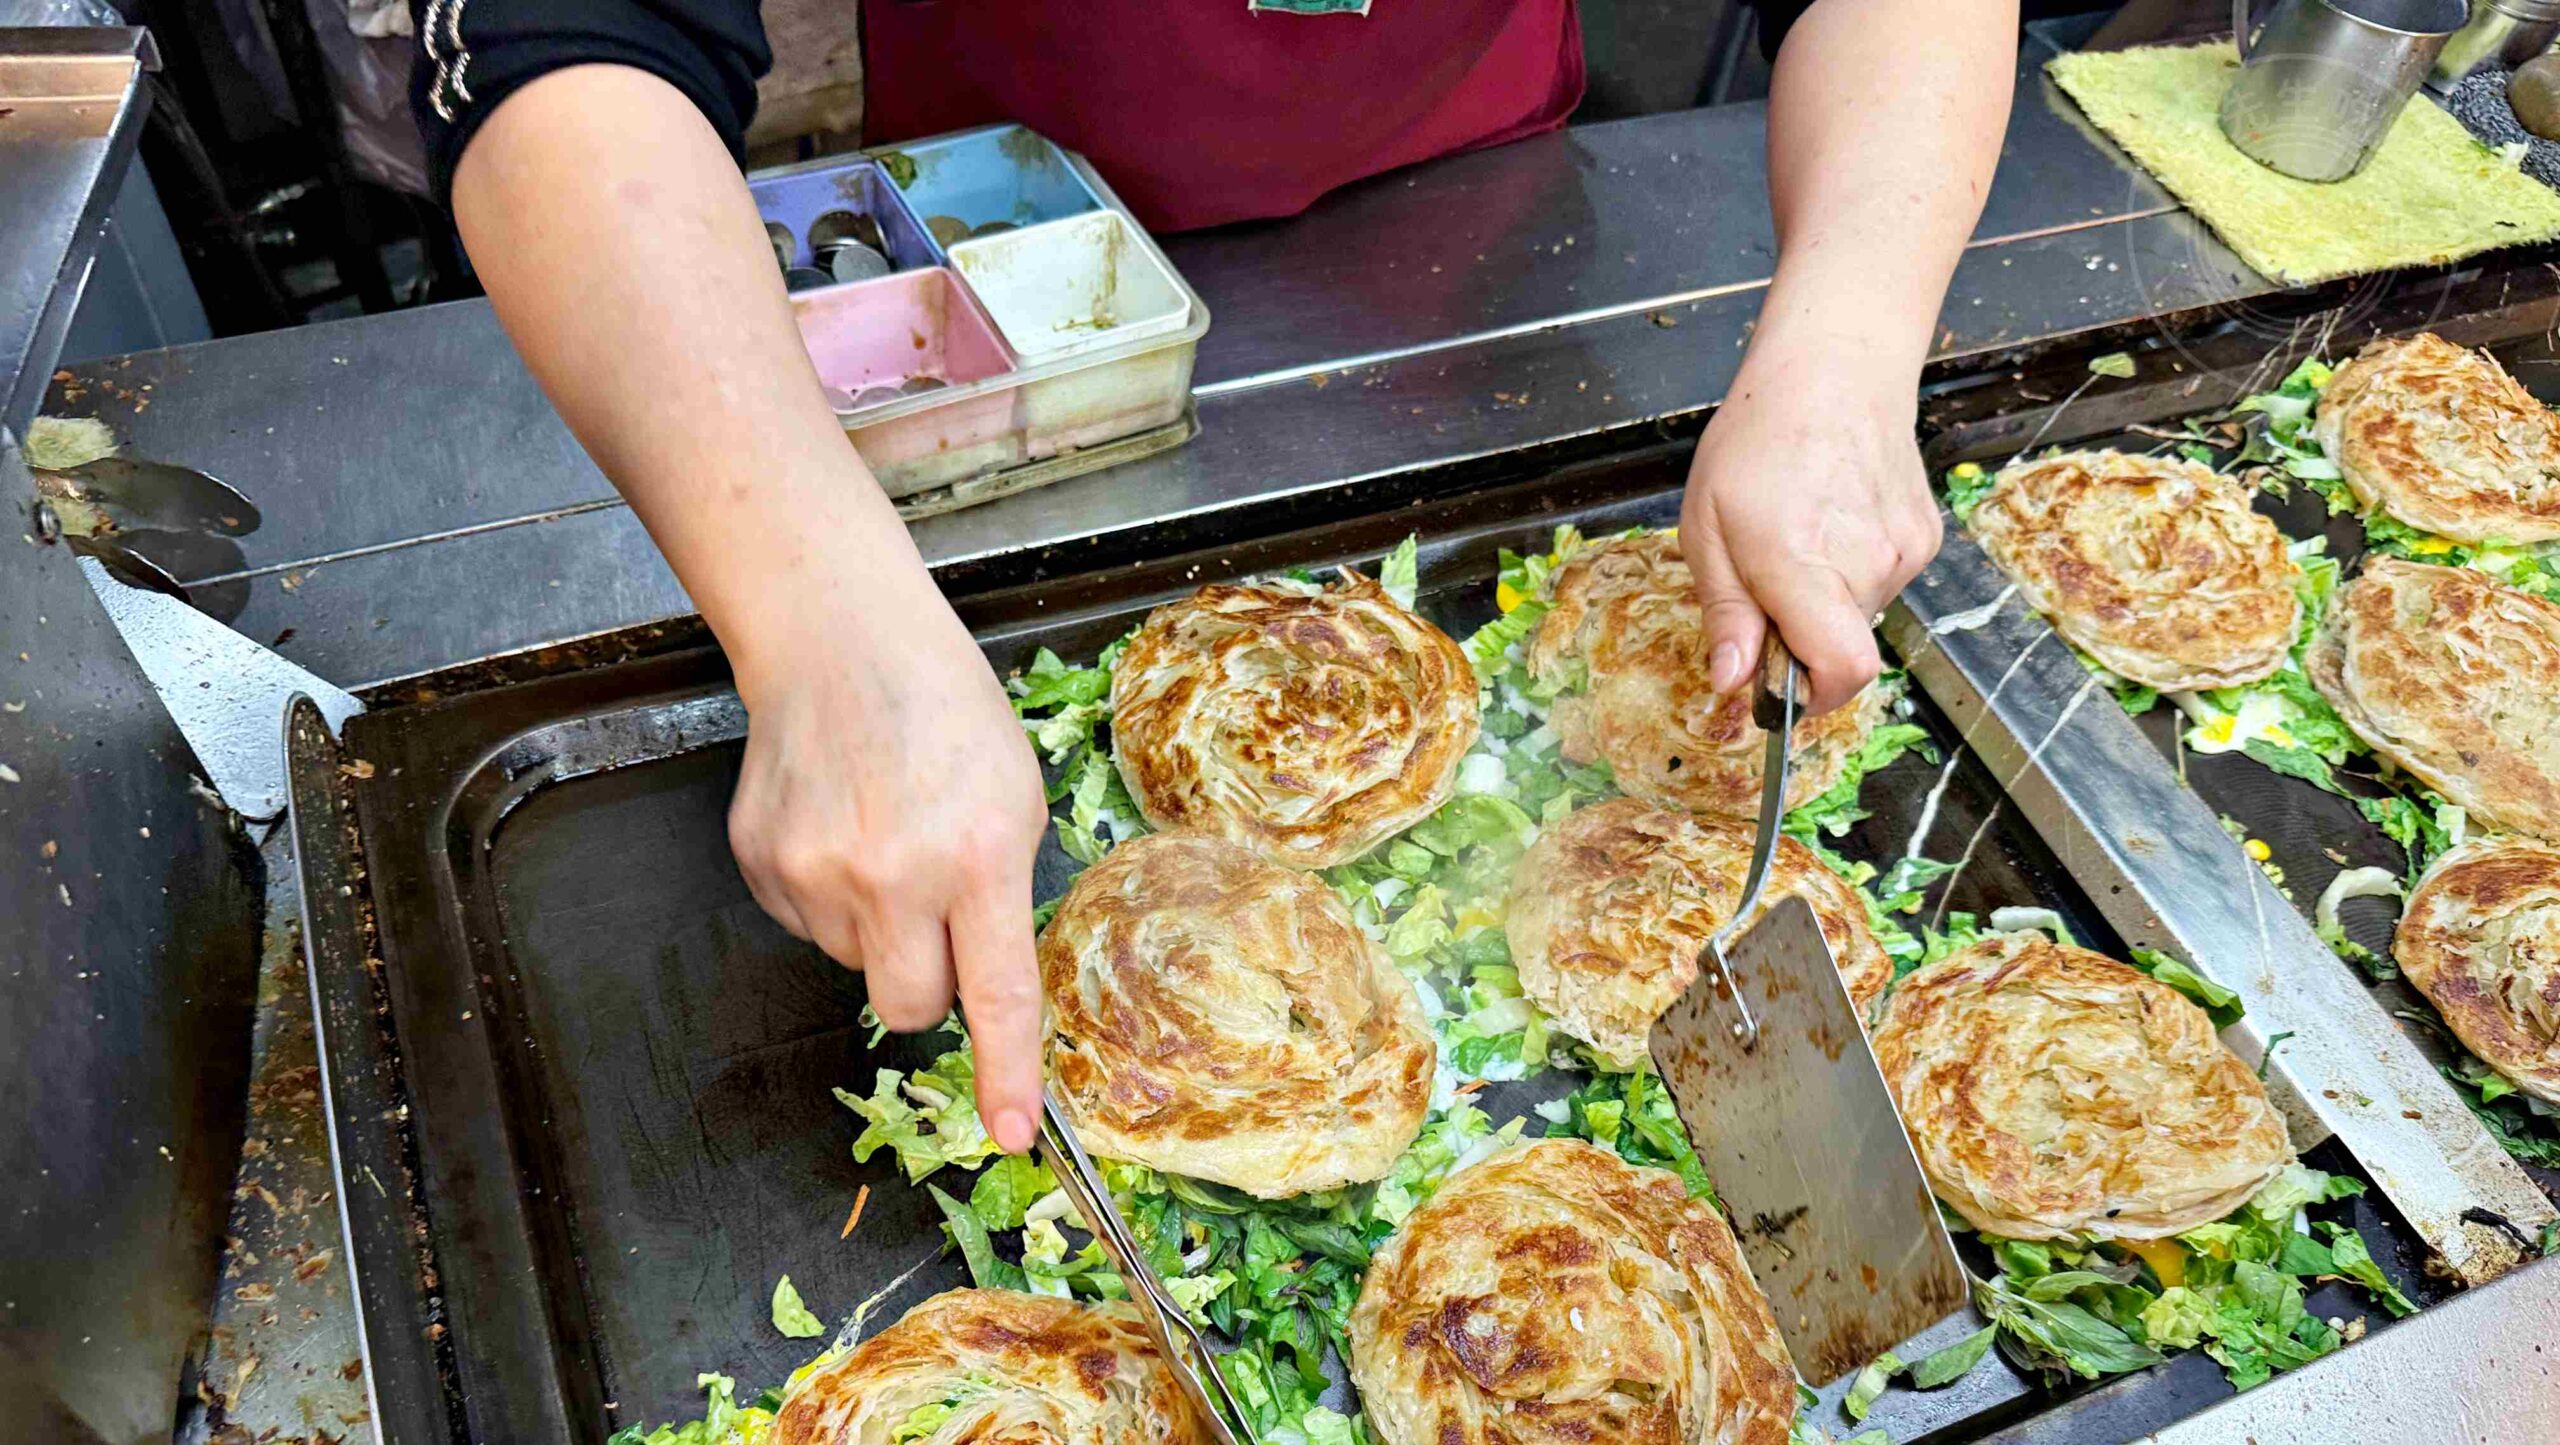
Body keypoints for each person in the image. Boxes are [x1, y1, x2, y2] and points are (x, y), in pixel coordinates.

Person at [412, 0, 2018, 1160]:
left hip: (1493, 218)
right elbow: (562, 36)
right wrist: (820, 617)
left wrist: (1847, 350)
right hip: (1013, 247)